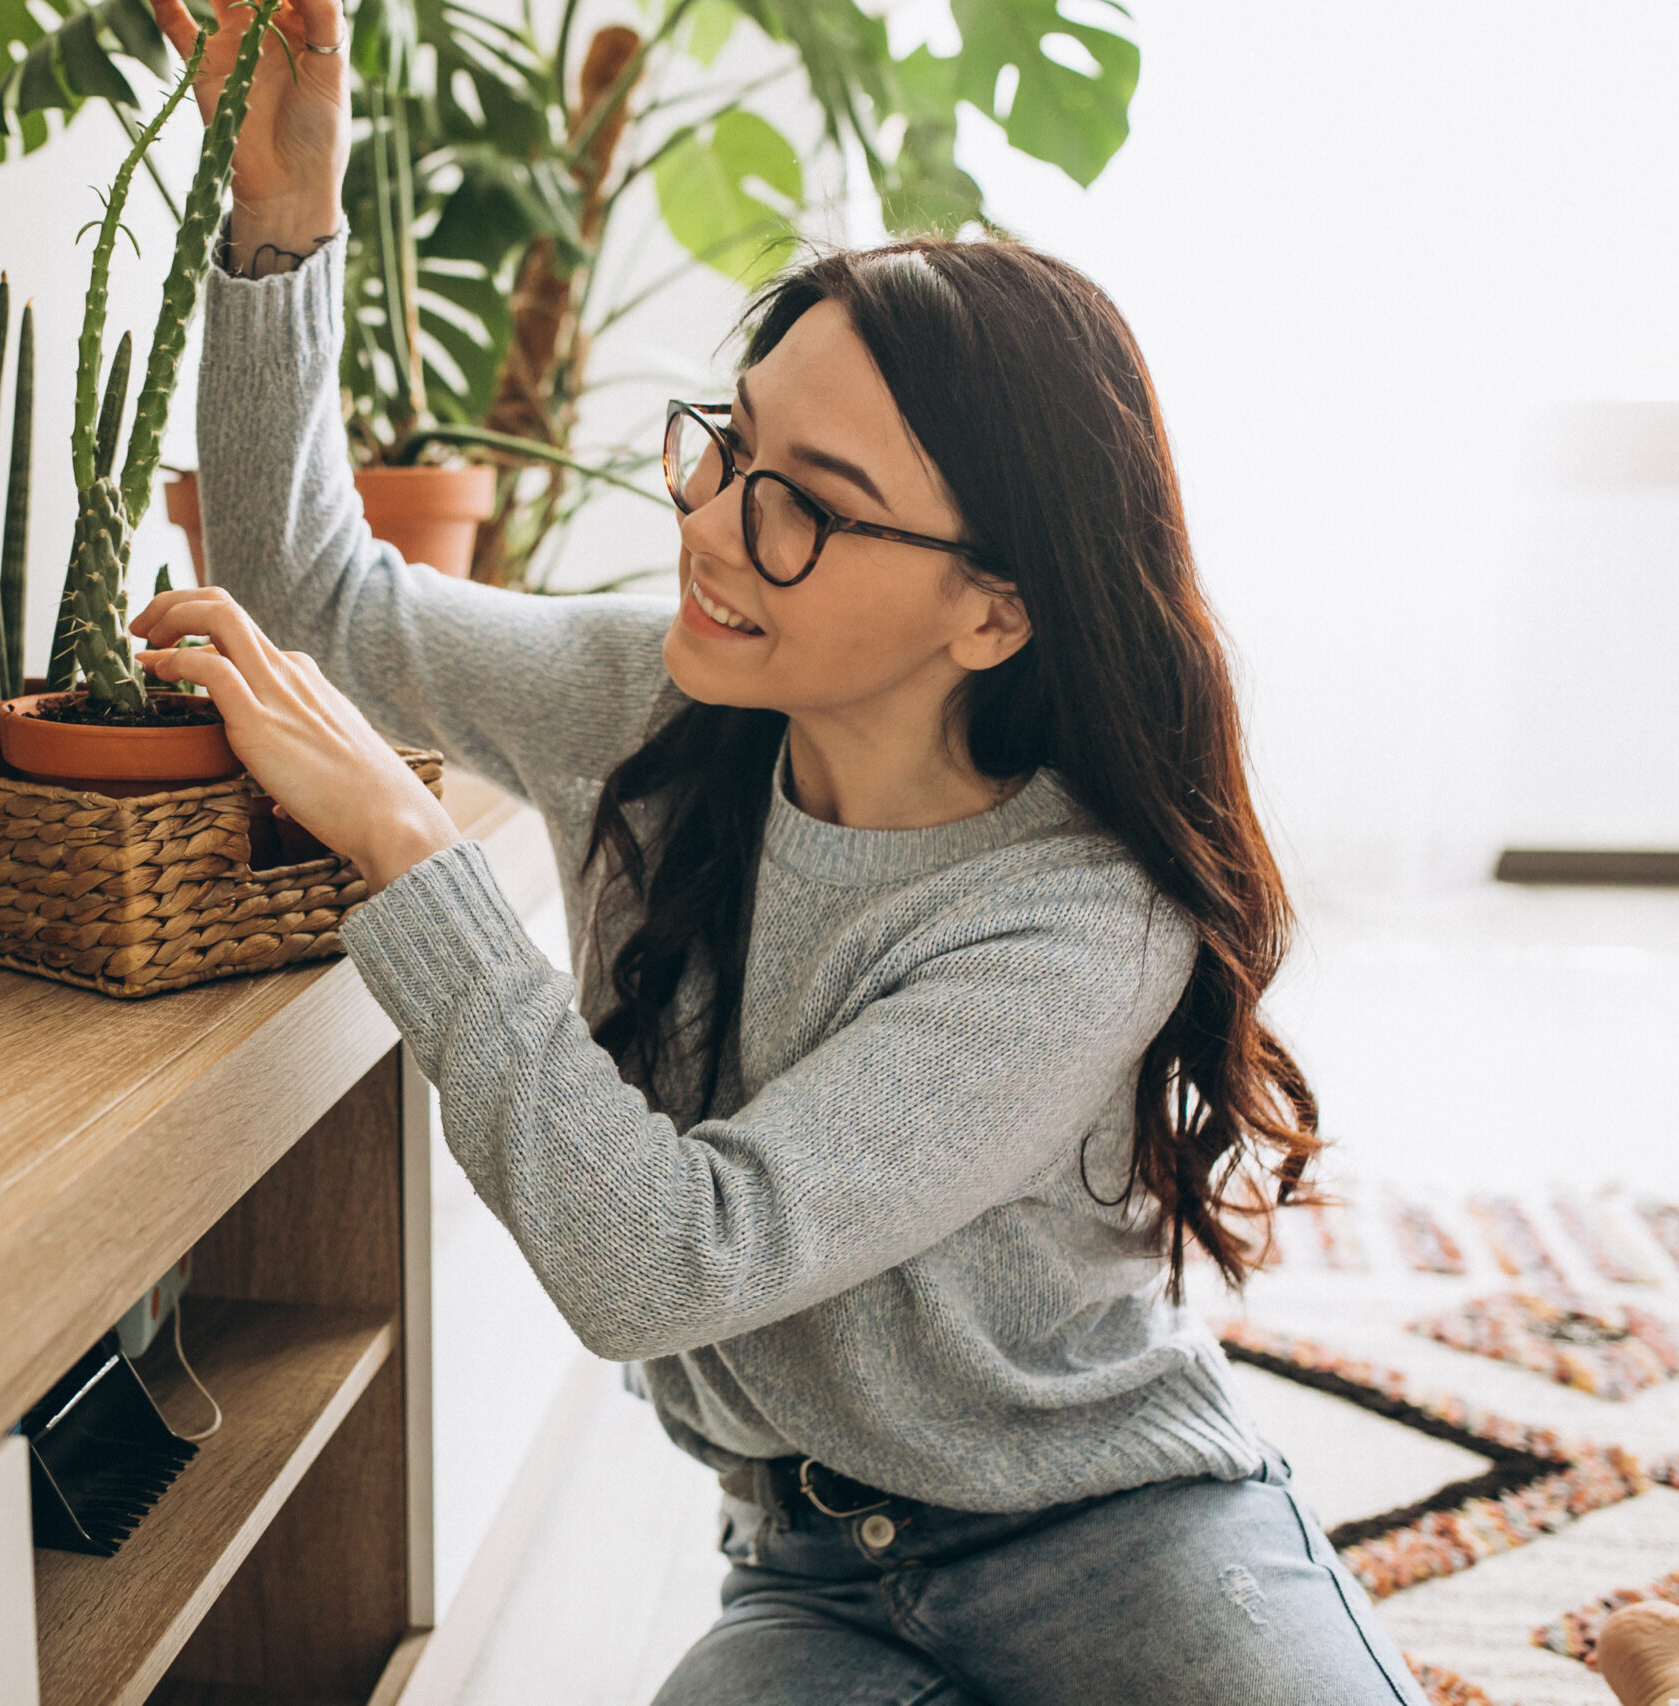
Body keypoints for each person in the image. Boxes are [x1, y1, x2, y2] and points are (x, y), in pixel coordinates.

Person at [138, 1, 1424, 1698]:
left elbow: (670, 1253)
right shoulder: (655, 710)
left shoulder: (1087, 920)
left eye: (803, 501)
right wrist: (282, 219)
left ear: (996, 608)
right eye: (730, 445)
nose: (711, 523)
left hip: (1115, 1539)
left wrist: (405, 842)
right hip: (812, 1579)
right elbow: (322, 606)